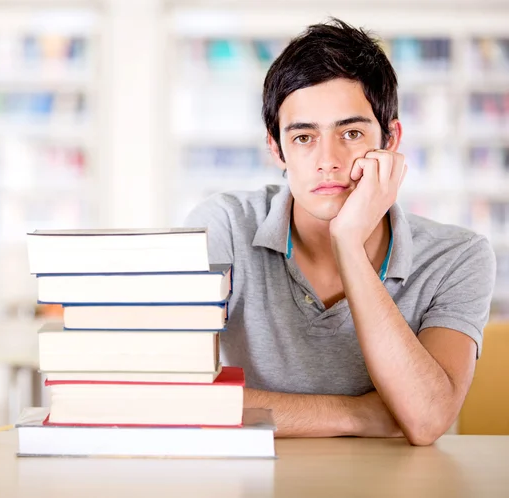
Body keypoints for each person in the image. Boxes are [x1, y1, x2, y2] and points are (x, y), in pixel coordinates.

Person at [184, 18, 496, 445]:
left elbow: (425, 420)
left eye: (350, 133)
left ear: (390, 138)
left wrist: (348, 242)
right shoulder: (226, 226)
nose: (327, 160)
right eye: (304, 137)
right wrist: (360, 415)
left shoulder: (458, 257)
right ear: (276, 147)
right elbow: (175, 396)